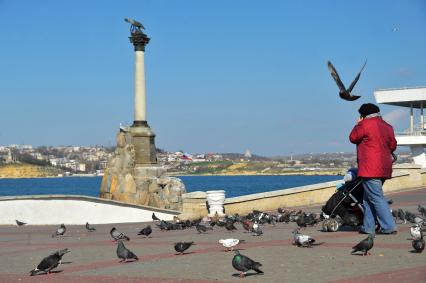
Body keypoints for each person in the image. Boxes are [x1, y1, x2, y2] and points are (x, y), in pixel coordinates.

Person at [349, 103, 397, 234]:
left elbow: (352, 138)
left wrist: (358, 124)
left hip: (370, 168)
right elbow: (393, 146)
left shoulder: (364, 125)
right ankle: (368, 227)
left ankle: (389, 226)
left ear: (363, 115)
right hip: (384, 167)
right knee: (368, 197)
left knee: (376, 197)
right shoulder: (388, 126)